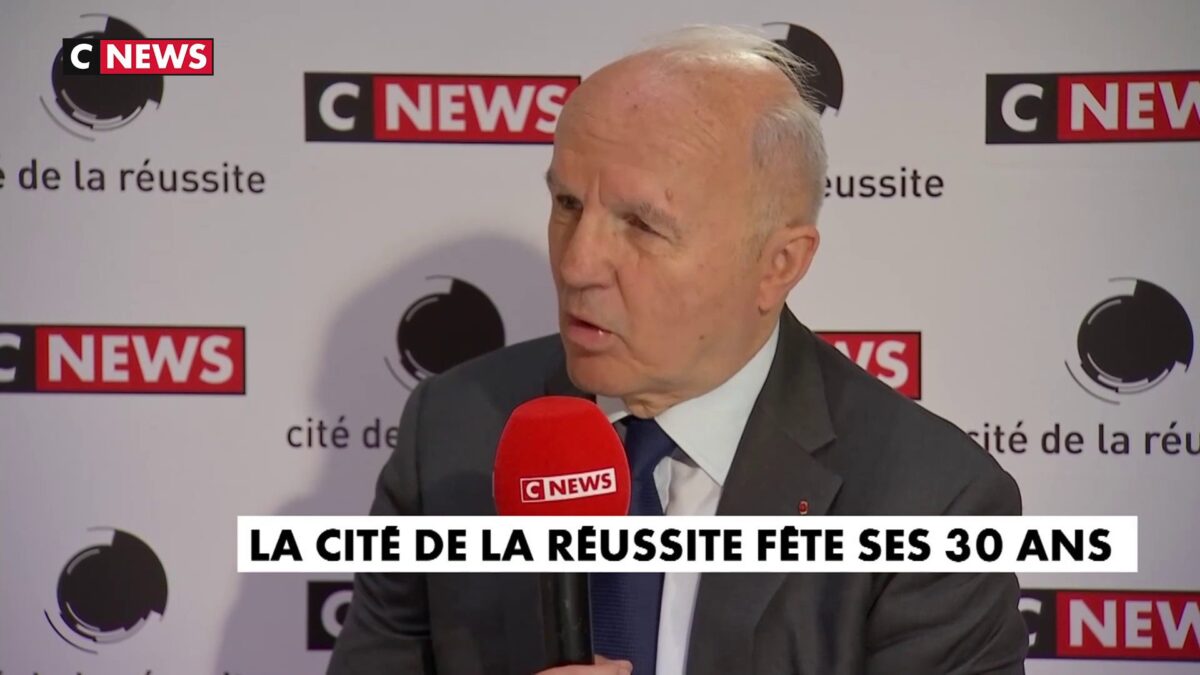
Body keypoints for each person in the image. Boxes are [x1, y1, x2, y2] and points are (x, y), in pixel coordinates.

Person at [328, 25, 1028, 675]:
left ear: (777, 264)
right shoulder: (454, 429)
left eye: (641, 225)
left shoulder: (931, 504)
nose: (577, 264)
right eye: (567, 205)